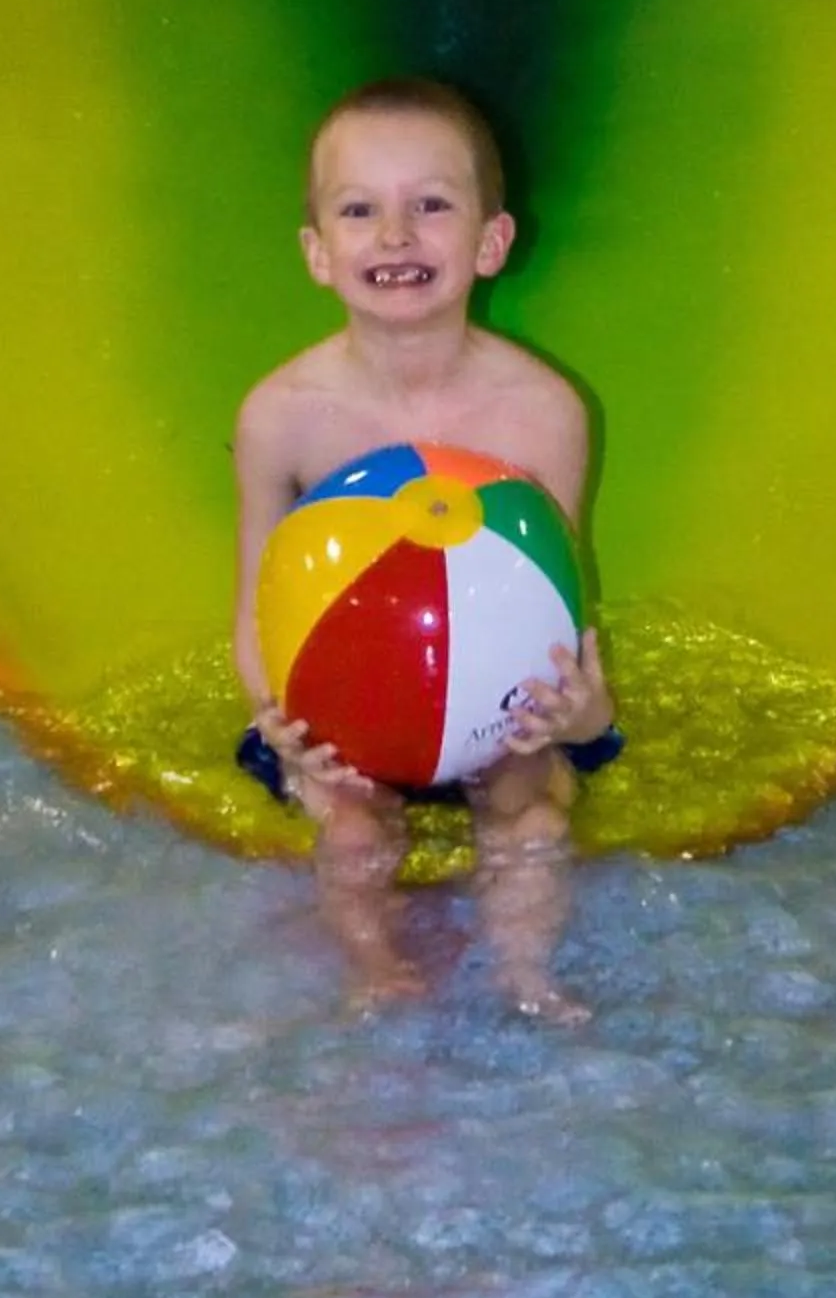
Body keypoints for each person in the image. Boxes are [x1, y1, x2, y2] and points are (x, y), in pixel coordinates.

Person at [234, 77, 618, 1019]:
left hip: (501, 701)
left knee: (528, 806)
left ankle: (526, 976)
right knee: (353, 824)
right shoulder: (280, 419)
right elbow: (257, 598)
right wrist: (282, 723)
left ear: (491, 241)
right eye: (360, 210)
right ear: (318, 253)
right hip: (343, 700)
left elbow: (553, 601)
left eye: (431, 205)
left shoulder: (540, 414)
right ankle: (377, 973)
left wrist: (577, 712)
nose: (395, 236)